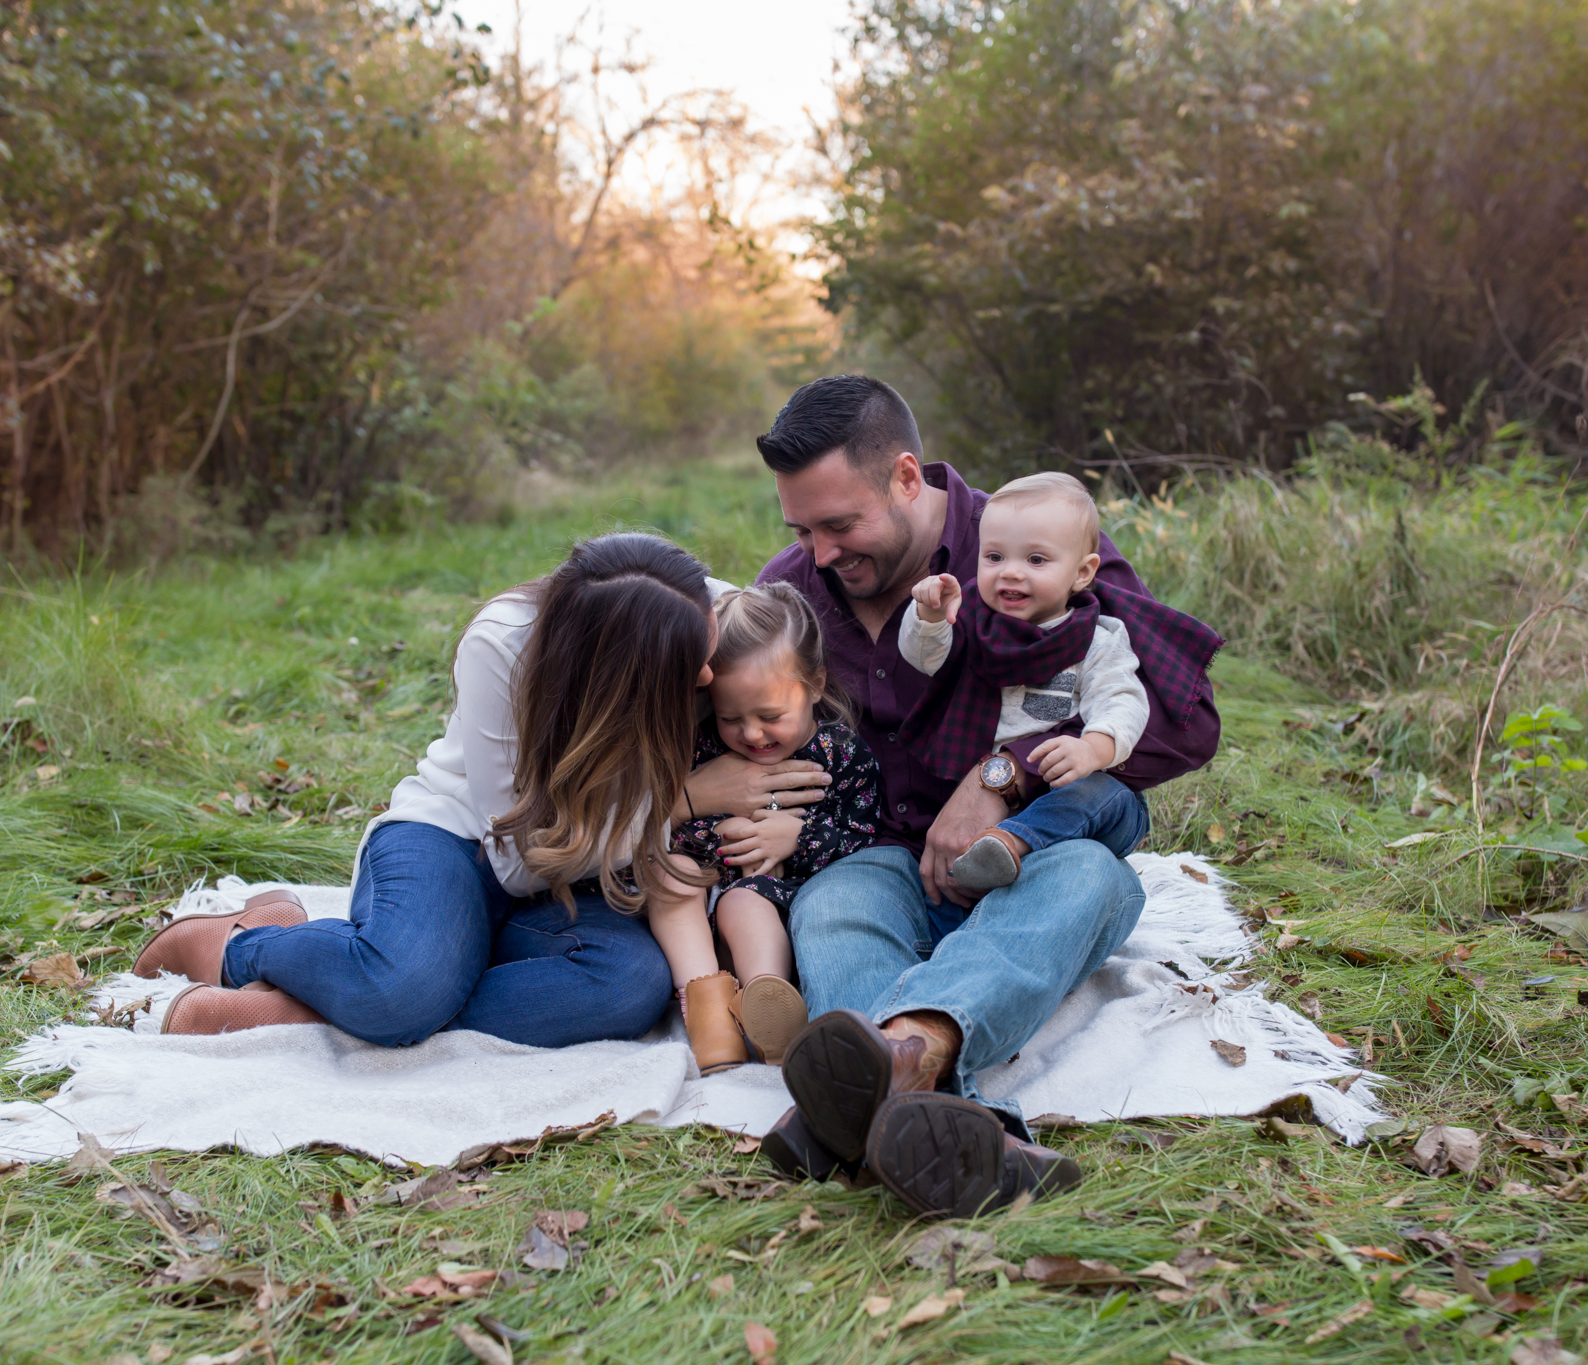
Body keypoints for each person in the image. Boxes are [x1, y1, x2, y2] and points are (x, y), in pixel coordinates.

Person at [752, 376, 1223, 1219]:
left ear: (905, 478)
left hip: (1021, 867)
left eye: (839, 524)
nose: (819, 552)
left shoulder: (1029, 545)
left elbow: (1182, 722)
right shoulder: (794, 588)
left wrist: (1003, 773)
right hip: (881, 858)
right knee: (827, 906)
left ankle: (886, 1081)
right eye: (800, 528)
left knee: (1099, 877)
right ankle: (945, 1099)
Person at [130, 533, 831, 1045]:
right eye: (693, 672)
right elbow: (519, 857)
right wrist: (683, 801)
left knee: (630, 985)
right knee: (401, 988)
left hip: (596, 873)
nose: (708, 683)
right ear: (625, 677)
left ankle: (343, 995)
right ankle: (244, 946)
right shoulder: (504, 647)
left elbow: (791, 697)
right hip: (465, 838)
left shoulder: (706, 617)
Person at [901, 470, 1220, 892]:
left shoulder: (1098, 639)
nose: (1010, 573)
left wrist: (1093, 747)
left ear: (1083, 572)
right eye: (995, 557)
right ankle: (993, 863)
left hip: (1073, 790)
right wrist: (930, 617)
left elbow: (1122, 700)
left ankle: (1009, 844)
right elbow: (926, 659)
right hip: (994, 800)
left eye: (1036, 560)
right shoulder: (972, 621)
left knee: (1106, 795)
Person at [650, 584, 883, 1075]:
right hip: (695, 911)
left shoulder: (838, 755)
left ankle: (767, 1009)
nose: (752, 734)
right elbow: (662, 822)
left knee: (743, 903)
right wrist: (708, 831)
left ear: (815, 684)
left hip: (772, 900)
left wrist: (799, 839)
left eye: (771, 716)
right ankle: (709, 1015)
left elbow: (862, 838)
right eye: (730, 717)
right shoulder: (700, 746)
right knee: (669, 872)